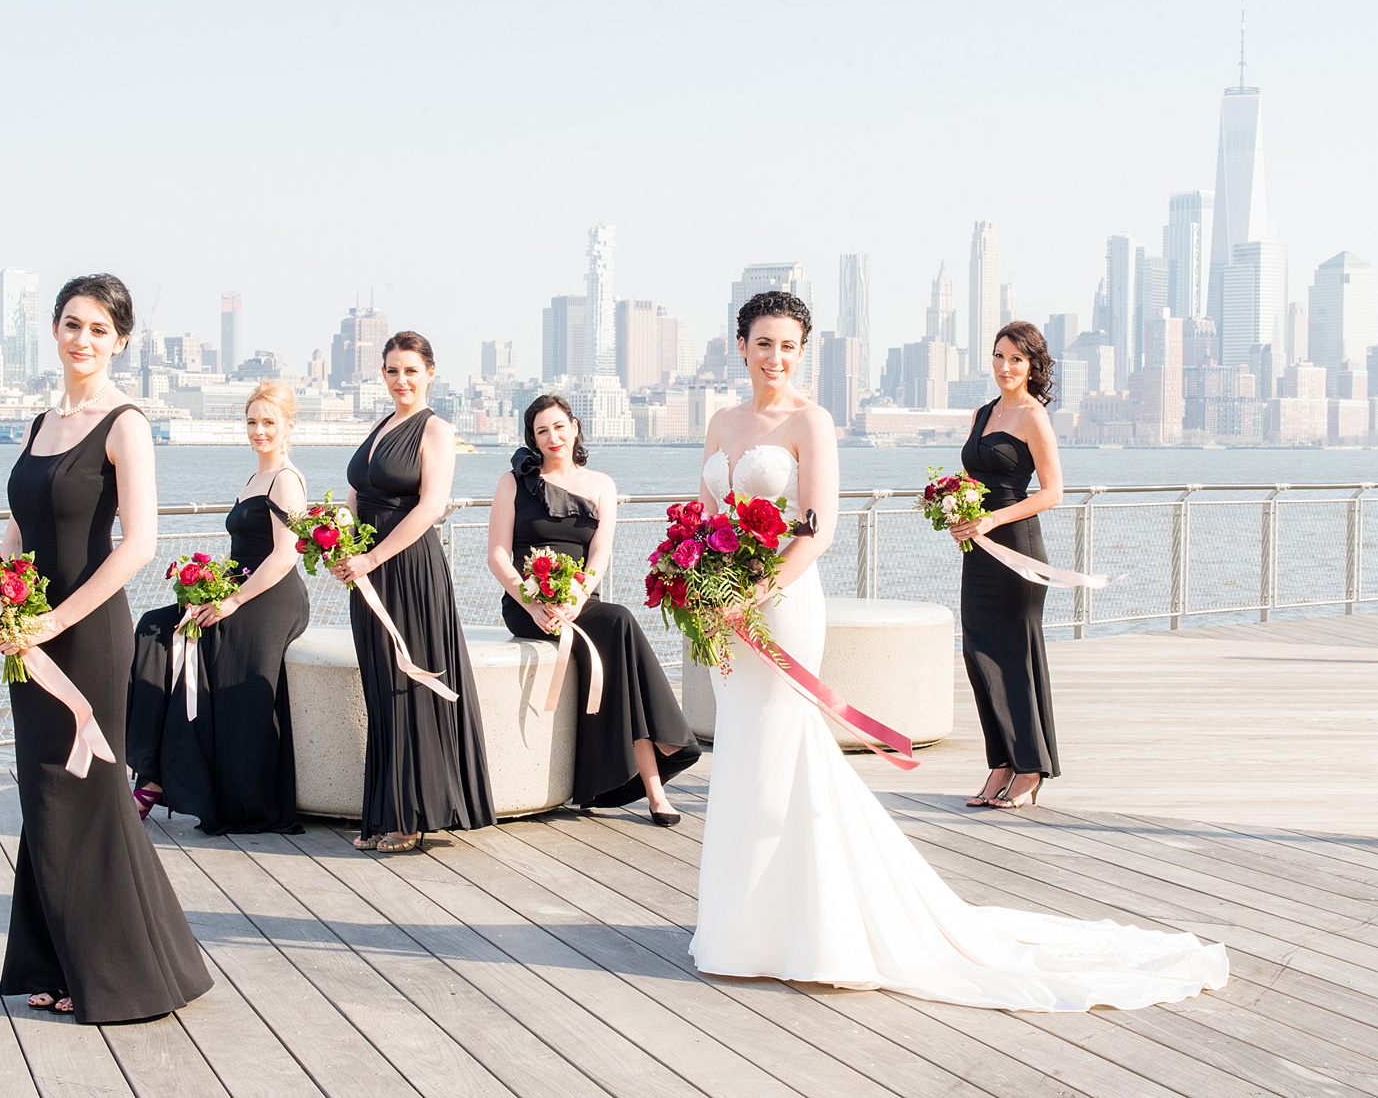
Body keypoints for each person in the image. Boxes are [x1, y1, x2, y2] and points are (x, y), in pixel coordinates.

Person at [688, 291, 1227, 1010]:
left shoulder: (811, 421)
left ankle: (807, 922)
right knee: (745, 752)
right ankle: (742, 924)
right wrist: (701, 581)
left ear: (803, 351)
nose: (774, 357)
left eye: (788, 345)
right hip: (723, 609)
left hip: (780, 606)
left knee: (782, 744)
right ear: (741, 345)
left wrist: (752, 595)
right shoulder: (723, 421)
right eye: (762, 343)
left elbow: (816, 529)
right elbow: (704, 514)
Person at [0, 274, 210, 1022]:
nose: (80, 338)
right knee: (44, 795)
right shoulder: (37, 423)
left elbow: (139, 544)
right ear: (53, 329)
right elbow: (19, 532)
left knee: (82, 790)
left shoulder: (125, 423)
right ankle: (65, 961)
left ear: (120, 339)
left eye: (96, 328)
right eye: (70, 323)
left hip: (84, 633)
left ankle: (118, 975)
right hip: (28, 634)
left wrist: (54, 620)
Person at [486, 395, 699, 824]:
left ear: (575, 427)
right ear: (533, 438)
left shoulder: (602, 484)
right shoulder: (513, 483)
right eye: (542, 431)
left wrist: (577, 596)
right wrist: (530, 603)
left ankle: (653, 787)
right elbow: (497, 554)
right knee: (619, 625)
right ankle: (658, 774)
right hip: (528, 601)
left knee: (615, 640)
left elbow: (600, 555)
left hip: (579, 598)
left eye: (559, 427)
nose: (553, 437)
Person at [327, 331, 494, 853]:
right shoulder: (379, 427)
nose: (401, 380)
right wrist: (335, 542)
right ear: (382, 374)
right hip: (365, 567)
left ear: (430, 374)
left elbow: (430, 507)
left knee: (408, 680)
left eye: (410, 371)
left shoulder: (436, 429)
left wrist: (371, 558)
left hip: (407, 569)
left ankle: (411, 816)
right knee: (381, 684)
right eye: (392, 371)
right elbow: (355, 494)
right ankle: (384, 811)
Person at [125, 379, 310, 834]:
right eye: (252, 421)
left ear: (289, 427)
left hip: (270, 597)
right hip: (238, 588)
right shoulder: (254, 479)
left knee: (210, 660)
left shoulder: (286, 480)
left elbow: (287, 554)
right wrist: (209, 591)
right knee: (158, 628)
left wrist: (231, 601)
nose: (259, 431)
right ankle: (152, 770)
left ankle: (160, 784)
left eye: (269, 422)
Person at [952, 322, 1063, 809]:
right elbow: (970, 479)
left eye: (1016, 359)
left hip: (1017, 550)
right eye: (998, 356)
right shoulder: (983, 412)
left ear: (1032, 365)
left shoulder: (1033, 416)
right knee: (978, 656)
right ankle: (1001, 762)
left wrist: (993, 517)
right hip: (977, 552)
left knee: (1015, 657)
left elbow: (1053, 492)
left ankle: (1030, 767)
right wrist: (956, 511)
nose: (1004, 367)